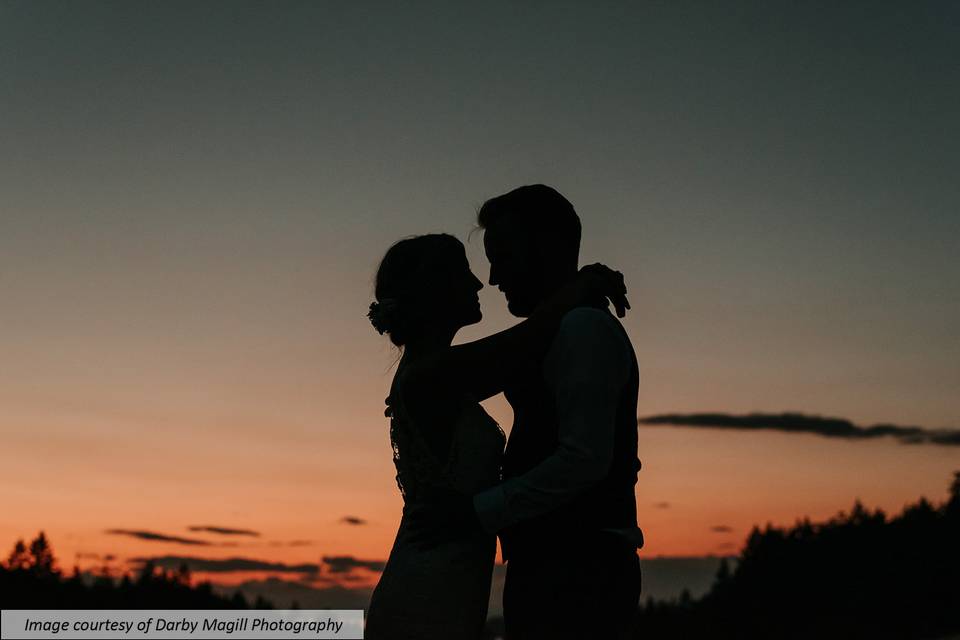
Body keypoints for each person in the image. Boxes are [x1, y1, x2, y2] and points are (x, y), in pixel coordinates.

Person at [363, 232, 629, 640]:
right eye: (463, 272)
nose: (477, 283)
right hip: (429, 590)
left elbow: (525, 346)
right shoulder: (432, 376)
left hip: (451, 579)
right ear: (435, 289)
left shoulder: (436, 373)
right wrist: (581, 285)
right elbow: (531, 338)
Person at [415, 185, 643, 639]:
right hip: (554, 573)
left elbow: (584, 460)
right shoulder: (553, 329)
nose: (494, 278)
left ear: (549, 246)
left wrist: (478, 512)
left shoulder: (584, 329)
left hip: (579, 579)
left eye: (503, 256)